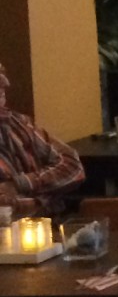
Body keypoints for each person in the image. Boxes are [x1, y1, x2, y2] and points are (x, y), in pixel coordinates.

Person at [0, 59, 84, 217]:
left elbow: (73, 167)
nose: (6, 83)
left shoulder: (18, 122)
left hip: (47, 225)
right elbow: (7, 210)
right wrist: (47, 197)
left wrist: (20, 184)